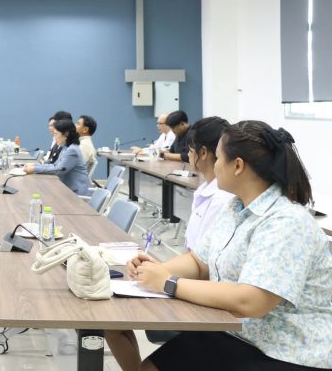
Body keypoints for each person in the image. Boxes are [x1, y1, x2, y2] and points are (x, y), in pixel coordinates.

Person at [129, 121, 331, 371]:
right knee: (151, 367)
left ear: (237, 166)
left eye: (218, 158)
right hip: (239, 333)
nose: (214, 165)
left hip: (288, 350)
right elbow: (199, 261)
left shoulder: (286, 221)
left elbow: (252, 301)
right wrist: (154, 271)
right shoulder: (236, 207)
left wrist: (169, 283)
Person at [106, 116, 234, 371]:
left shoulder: (222, 201)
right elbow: (196, 257)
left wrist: (164, 276)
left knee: (113, 318)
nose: (187, 154)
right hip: (189, 279)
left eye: (189, 149)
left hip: (199, 291)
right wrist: (158, 268)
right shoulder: (206, 191)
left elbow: (208, 266)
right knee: (112, 318)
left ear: (203, 153)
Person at [25, 119, 90, 195]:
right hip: (66, 189)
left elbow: (58, 170)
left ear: (66, 134)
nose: (54, 138)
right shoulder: (66, 147)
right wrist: (35, 165)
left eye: (56, 134)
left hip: (75, 193)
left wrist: (34, 169)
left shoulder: (72, 150)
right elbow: (55, 165)